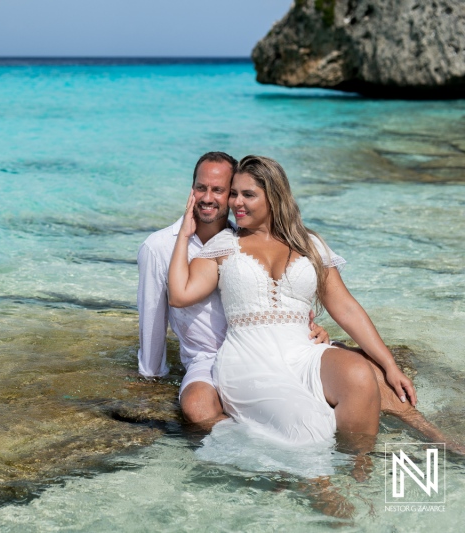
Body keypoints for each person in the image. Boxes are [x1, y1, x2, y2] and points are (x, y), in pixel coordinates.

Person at [166, 155, 415, 445]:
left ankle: (357, 472)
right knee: (304, 423)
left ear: (274, 197)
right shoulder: (222, 245)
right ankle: (324, 486)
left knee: (359, 376)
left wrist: (390, 365)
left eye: (248, 195)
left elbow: (345, 308)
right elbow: (179, 295)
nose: (236, 203)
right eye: (234, 194)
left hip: (302, 353)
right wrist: (184, 235)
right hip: (249, 359)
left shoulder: (310, 244)